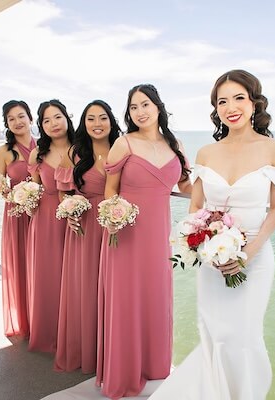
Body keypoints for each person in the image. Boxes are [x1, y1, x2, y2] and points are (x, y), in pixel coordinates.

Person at [149, 70, 275, 399]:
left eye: (239, 98)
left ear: (254, 103)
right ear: (216, 109)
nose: (231, 107)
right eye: (222, 101)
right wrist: (204, 245)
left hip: (254, 258)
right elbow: (196, 206)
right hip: (212, 260)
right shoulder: (206, 153)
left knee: (244, 335)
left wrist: (249, 251)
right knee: (215, 334)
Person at [95, 84, 192, 399]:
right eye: (134, 107)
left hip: (158, 238)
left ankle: (153, 365)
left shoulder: (174, 144)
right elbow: (110, 190)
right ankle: (124, 372)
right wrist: (115, 215)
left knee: (155, 296)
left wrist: (224, 191)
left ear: (158, 107)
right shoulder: (124, 144)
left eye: (145, 104)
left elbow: (187, 186)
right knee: (127, 300)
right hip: (126, 235)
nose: (140, 111)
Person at [54, 100, 121, 373]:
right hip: (83, 228)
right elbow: (63, 191)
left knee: (111, 289)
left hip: (114, 225)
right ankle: (88, 351)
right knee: (85, 288)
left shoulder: (122, 147)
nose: (97, 124)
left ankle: (112, 349)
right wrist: (69, 210)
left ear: (111, 121)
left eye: (102, 118)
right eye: (90, 118)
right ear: (83, 123)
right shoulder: (74, 152)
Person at [26, 99, 75, 353]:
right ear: (41, 126)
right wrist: (24, 198)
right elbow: (34, 188)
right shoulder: (38, 154)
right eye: (46, 120)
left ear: (67, 118)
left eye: (57, 117)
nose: (53, 124)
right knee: (48, 277)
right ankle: (49, 333)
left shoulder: (81, 149)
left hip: (76, 218)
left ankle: (73, 333)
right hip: (45, 220)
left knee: (73, 277)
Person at [0, 100, 36, 338]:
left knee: (41, 265)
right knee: (21, 264)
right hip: (17, 214)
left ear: (30, 118)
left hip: (42, 214)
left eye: (21, 116)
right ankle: (25, 319)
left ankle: (44, 314)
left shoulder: (43, 146)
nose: (18, 122)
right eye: (11, 119)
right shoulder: (4, 152)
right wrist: (18, 197)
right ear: (7, 124)